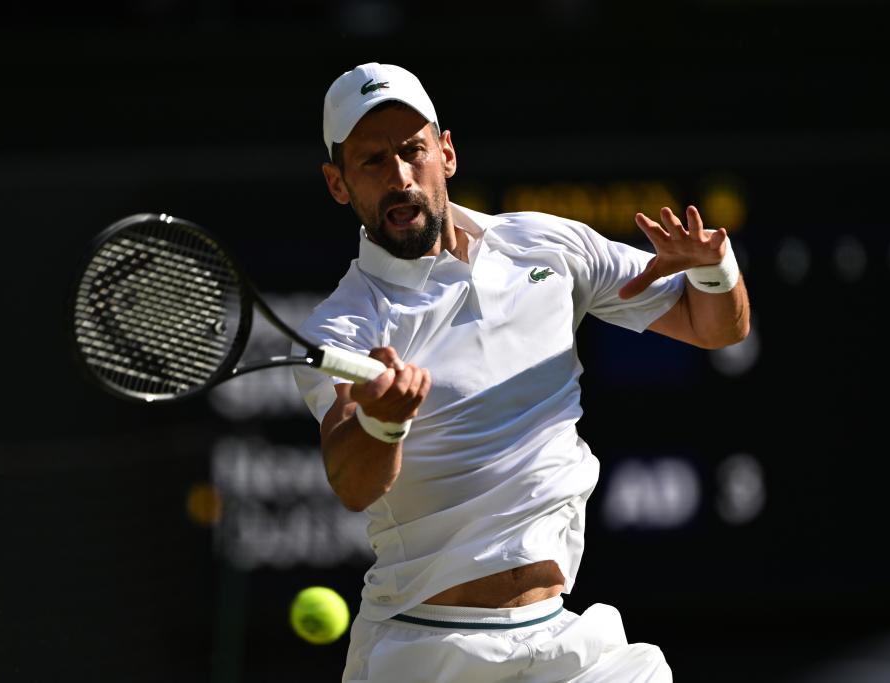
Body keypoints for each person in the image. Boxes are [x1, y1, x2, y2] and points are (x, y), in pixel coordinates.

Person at [292, 62, 750, 683]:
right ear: (338, 184)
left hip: (559, 642)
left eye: (412, 151)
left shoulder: (546, 247)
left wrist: (714, 267)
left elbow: (714, 326)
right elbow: (353, 484)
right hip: (424, 651)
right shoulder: (342, 326)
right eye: (372, 161)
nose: (399, 176)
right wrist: (382, 423)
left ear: (446, 153)